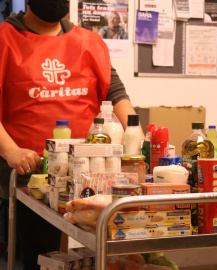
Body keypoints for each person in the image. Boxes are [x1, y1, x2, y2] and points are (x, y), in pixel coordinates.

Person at [0, 0, 141, 269]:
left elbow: (116, 93)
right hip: (32, 172)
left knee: (97, 251)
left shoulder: (89, 42)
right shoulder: (4, 39)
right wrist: (11, 151)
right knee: (44, 253)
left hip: (91, 167)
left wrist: (138, 138)